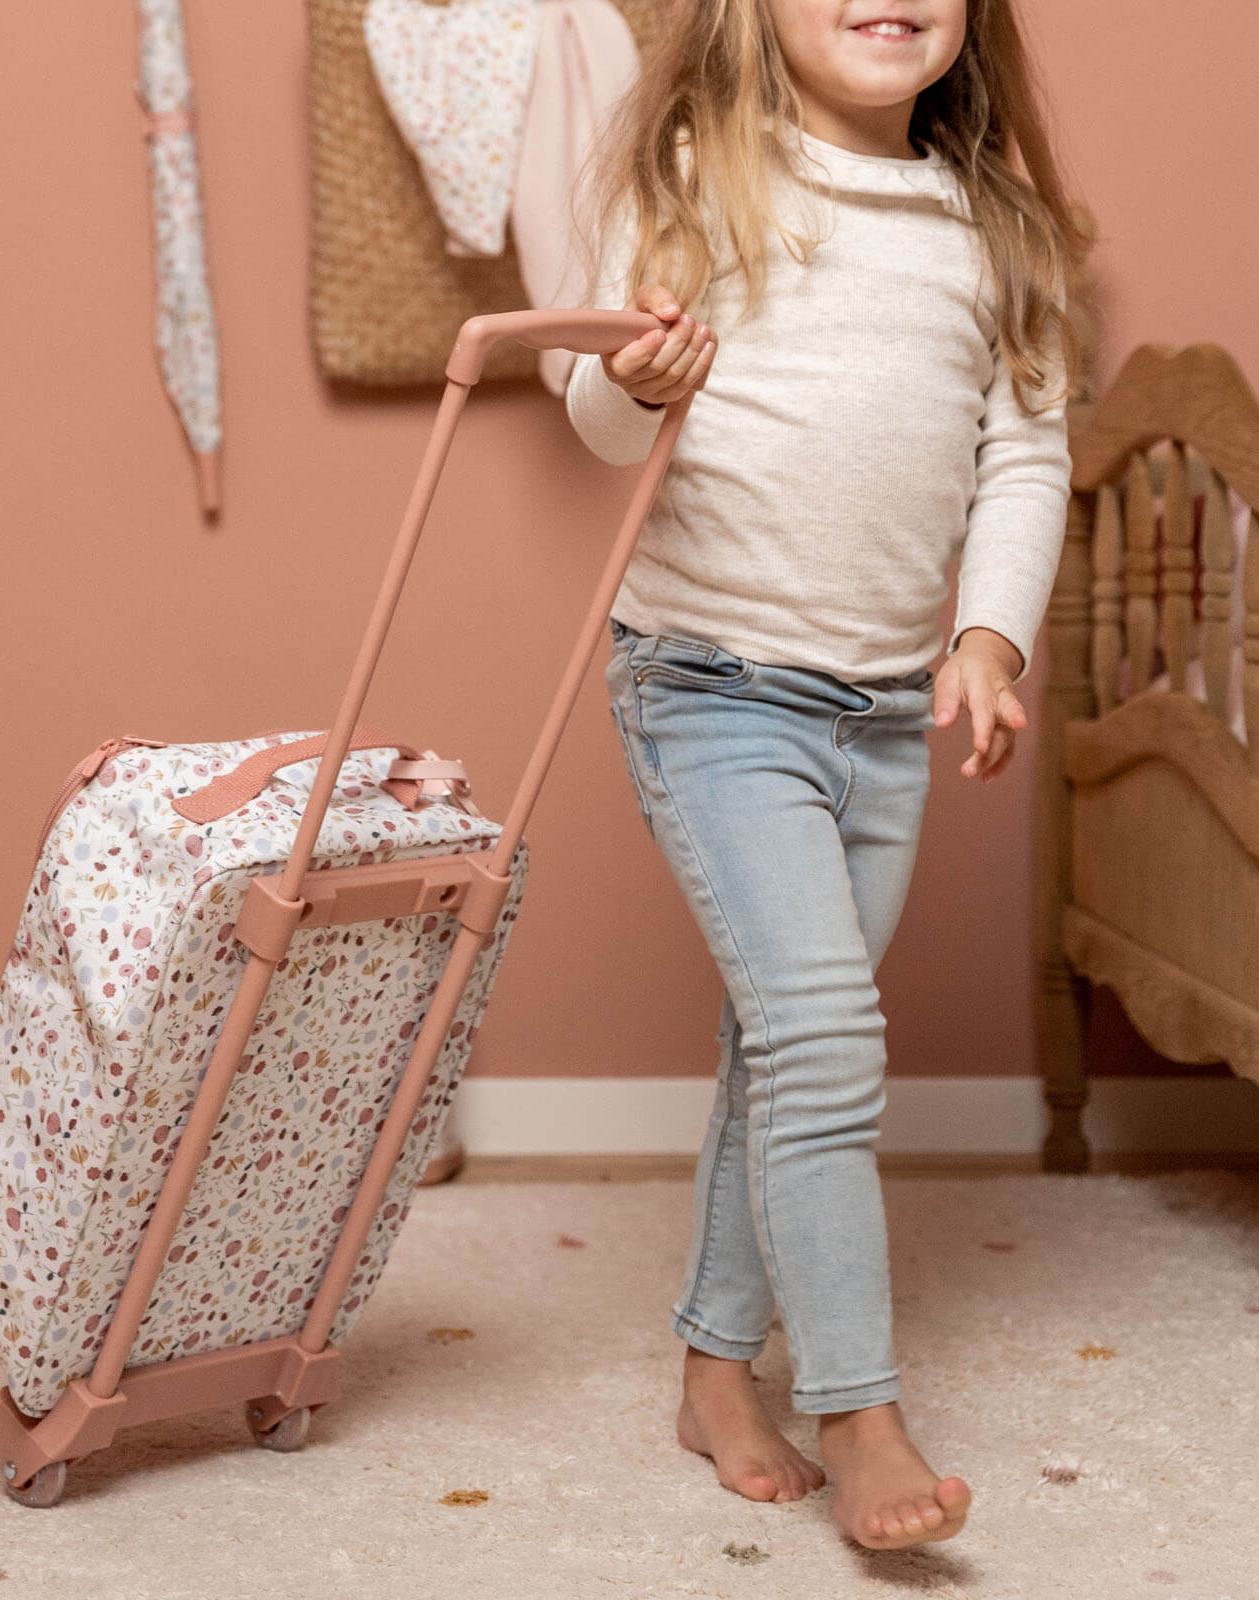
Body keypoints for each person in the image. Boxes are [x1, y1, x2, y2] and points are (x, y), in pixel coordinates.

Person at [565, 0, 1090, 1552]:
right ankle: (857, 1406)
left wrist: (986, 636)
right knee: (822, 1027)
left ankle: (715, 1371)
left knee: (783, 1043)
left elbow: (1027, 454)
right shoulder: (700, 170)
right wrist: (639, 384)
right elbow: (597, 418)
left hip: (873, 714)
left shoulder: (993, 227)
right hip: (709, 687)